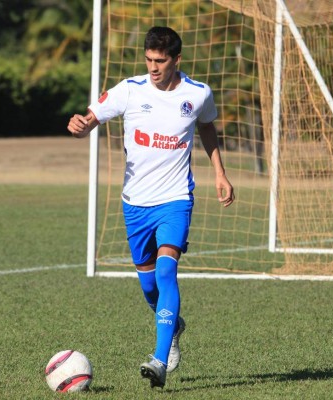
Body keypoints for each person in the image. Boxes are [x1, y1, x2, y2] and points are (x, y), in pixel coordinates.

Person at [67, 26, 235, 389]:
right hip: (135, 204)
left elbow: (207, 127)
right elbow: (91, 118)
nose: (154, 67)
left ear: (177, 60)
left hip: (175, 199)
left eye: (161, 61)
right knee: (148, 287)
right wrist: (81, 126)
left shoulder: (198, 93)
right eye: (149, 60)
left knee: (164, 273)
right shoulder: (130, 90)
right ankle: (174, 325)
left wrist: (220, 172)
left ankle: (159, 360)